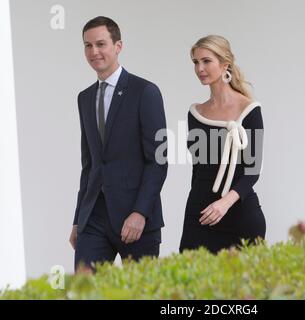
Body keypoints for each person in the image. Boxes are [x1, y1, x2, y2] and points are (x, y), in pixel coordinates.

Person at [69, 16, 168, 271]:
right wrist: (79, 219)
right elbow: (89, 164)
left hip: (135, 217)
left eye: (101, 44)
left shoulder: (145, 91)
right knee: (84, 292)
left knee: (140, 294)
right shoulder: (84, 98)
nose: (94, 52)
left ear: (118, 46)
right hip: (94, 219)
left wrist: (140, 213)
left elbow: (158, 160)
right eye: (88, 46)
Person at [179, 35, 266, 254]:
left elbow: (252, 172)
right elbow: (198, 171)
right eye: (196, 62)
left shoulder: (249, 110)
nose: (200, 68)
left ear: (225, 64)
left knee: (244, 288)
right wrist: (192, 213)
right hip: (201, 215)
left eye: (206, 61)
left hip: (240, 217)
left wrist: (224, 203)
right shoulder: (195, 113)